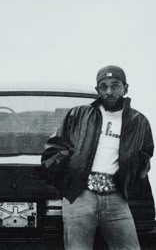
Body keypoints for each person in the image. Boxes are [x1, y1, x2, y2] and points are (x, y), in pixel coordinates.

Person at [41, 65, 154, 250]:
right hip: (80, 195)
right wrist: (70, 179)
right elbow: (53, 151)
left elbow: (145, 155)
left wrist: (129, 177)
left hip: (116, 197)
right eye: (104, 86)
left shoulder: (139, 121)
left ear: (126, 88)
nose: (109, 91)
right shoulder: (78, 114)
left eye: (115, 85)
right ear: (97, 90)